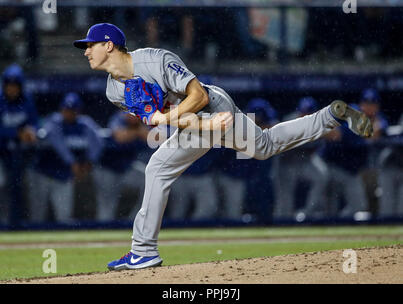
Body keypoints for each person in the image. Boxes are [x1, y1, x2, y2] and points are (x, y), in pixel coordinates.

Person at [73, 23, 373, 270]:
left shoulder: (153, 58)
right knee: (263, 146)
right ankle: (329, 116)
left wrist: (183, 118)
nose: (86, 51)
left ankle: (143, 251)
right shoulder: (114, 91)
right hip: (201, 122)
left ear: (109, 45)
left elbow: (199, 96)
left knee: (159, 169)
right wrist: (206, 127)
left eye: (90, 45)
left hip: (212, 103)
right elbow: (172, 121)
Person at [27, 92, 103, 223]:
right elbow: (58, 142)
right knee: (37, 215)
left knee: (64, 217)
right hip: (42, 173)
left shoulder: (84, 124)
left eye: (72, 110)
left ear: (78, 111)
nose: (69, 113)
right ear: (61, 109)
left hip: (63, 176)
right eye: (66, 109)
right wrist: (72, 163)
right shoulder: (54, 121)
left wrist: (90, 160)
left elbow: (99, 141)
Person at [273, 97, 328, 221]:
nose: (305, 115)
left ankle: (309, 213)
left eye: (309, 113)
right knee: (285, 198)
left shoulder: (319, 123)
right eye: (304, 112)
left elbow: (319, 145)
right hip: (287, 162)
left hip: (306, 160)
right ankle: (283, 220)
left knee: (321, 175)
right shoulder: (289, 122)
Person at [93, 110, 149, 221]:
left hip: (126, 167)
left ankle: (134, 221)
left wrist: (133, 132)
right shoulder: (118, 117)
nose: (133, 116)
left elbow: (152, 137)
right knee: (107, 204)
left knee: (149, 182)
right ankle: (104, 229)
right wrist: (137, 132)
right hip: (106, 167)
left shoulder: (143, 119)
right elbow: (120, 137)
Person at [0, 64, 38, 226]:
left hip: (18, 154)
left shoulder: (27, 100)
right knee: (2, 186)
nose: (12, 89)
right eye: (9, 85)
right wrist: (16, 133)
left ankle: (16, 223)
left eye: (15, 86)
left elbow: (35, 123)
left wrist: (31, 131)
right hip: (1, 152)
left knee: (19, 188)